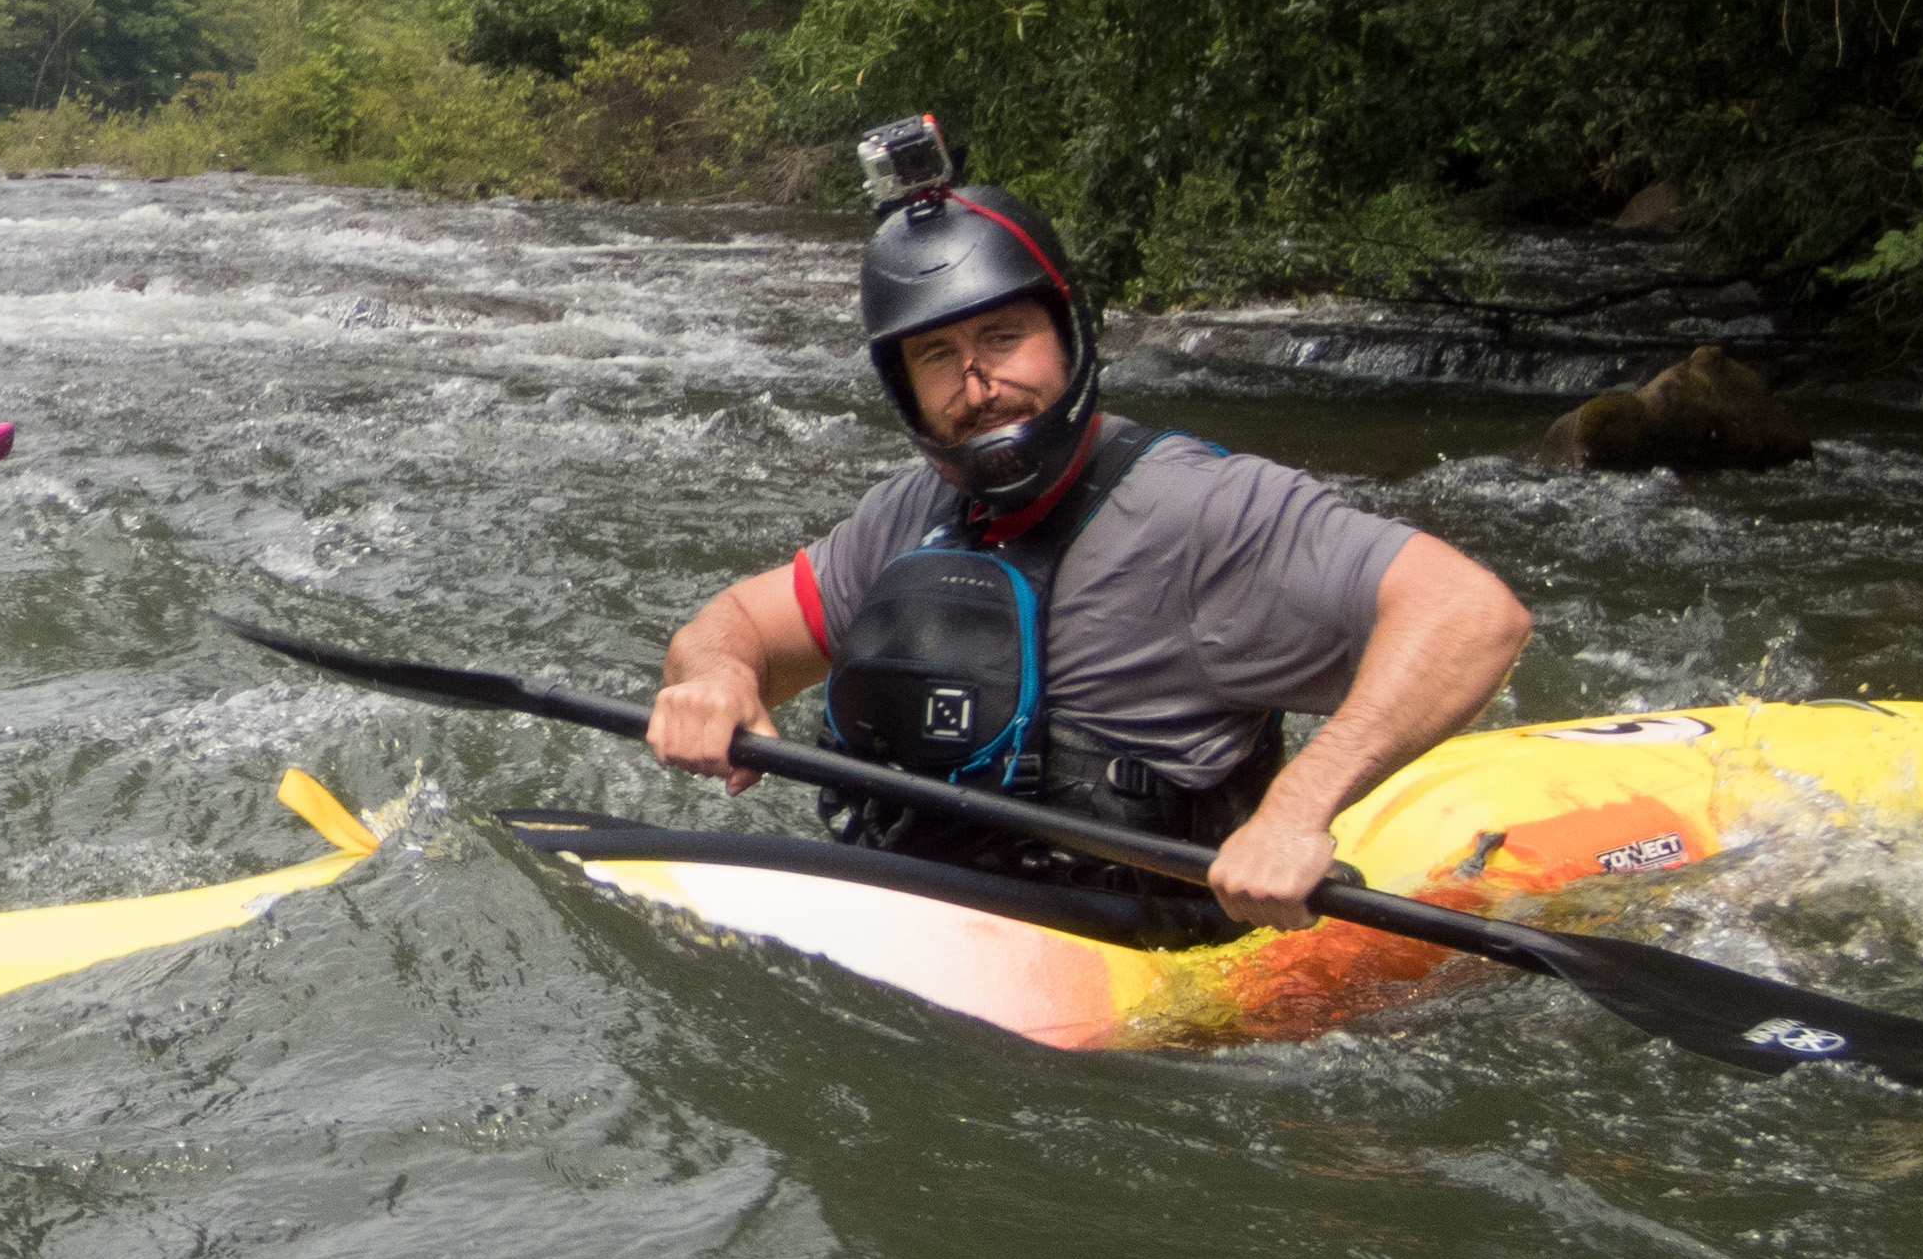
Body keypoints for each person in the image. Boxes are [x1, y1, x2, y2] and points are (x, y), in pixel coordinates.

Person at [642, 117, 1530, 931]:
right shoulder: (910, 513)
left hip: (1161, 961)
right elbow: (738, 623)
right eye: (937, 356)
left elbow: (1472, 613)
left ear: (1067, 338)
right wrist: (717, 679)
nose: (978, 383)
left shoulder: (1202, 510)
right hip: (928, 915)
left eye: (1003, 338)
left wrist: (1298, 809)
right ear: (903, 388)